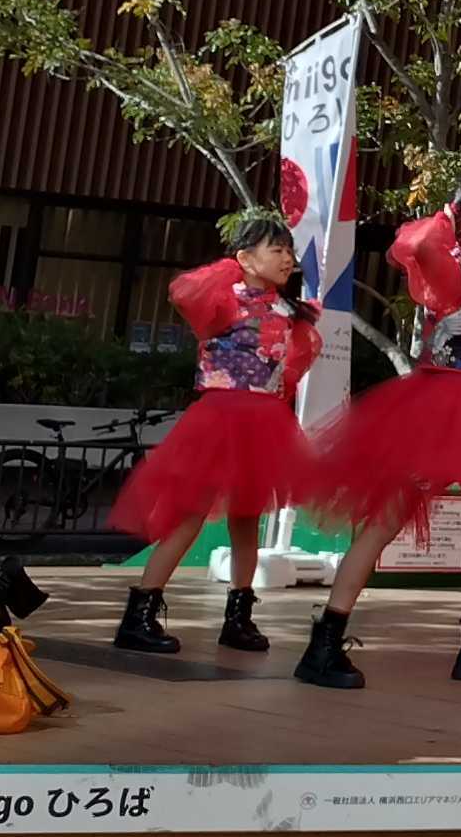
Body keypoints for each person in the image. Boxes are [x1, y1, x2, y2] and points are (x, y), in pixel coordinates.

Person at [295, 173, 461, 690]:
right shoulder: (444, 263)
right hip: (435, 403)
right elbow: (416, 241)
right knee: (385, 521)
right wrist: (450, 216)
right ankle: (325, 641)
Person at [112, 213, 315, 657]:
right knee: (190, 515)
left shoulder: (289, 310)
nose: (287, 258)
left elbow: (294, 366)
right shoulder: (222, 300)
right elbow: (182, 291)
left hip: (264, 422)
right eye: (276, 249)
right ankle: (140, 612)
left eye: (288, 250)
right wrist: (231, 267)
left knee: (247, 521)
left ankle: (238, 617)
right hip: (220, 420)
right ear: (245, 256)